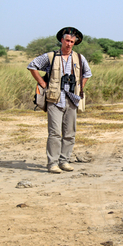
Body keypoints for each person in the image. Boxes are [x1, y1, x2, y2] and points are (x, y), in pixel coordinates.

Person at [27, 27, 92, 173]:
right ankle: (52, 164)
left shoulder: (80, 58)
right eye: (67, 40)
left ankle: (64, 161)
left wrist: (80, 87)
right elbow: (32, 66)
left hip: (72, 99)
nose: (69, 44)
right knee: (54, 133)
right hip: (54, 98)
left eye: (72, 42)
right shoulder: (51, 56)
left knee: (70, 133)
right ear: (61, 40)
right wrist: (43, 84)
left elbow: (87, 73)